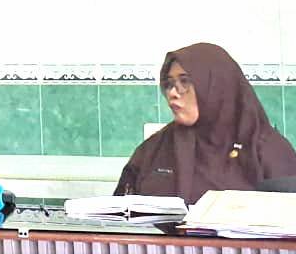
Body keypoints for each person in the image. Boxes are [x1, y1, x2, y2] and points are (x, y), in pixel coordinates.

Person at [115, 42, 296, 204]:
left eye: (185, 82)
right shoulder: (154, 148)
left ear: (217, 86)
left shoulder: (266, 150)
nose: (173, 93)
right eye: (169, 84)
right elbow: (118, 215)